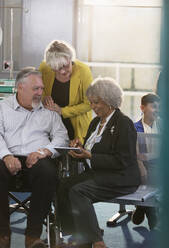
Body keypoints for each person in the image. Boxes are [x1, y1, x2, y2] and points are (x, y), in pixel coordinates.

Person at [57, 77, 141, 248]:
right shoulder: (96, 122)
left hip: (121, 177)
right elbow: (90, 148)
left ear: (109, 101)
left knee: (78, 191)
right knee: (63, 186)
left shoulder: (124, 123)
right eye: (91, 103)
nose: (93, 107)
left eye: (96, 103)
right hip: (100, 173)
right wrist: (79, 148)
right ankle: (78, 235)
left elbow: (122, 160)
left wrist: (90, 156)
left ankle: (96, 241)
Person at [0, 67, 69, 248]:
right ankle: (2, 235)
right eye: (35, 89)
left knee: (48, 173)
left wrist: (43, 152)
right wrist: (6, 155)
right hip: (7, 156)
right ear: (20, 88)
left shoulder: (49, 111)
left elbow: (62, 137)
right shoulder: (2, 107)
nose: (40, 93)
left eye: (41, 88)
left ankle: (33, 236)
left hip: (37, 159)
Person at [39, 40, 93, 143]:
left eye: (66, 66)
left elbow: (89, 104)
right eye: (57, 68)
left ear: (70, 59)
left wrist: (62, 111)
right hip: (50, 126)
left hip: (76, 127)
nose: (62, 71)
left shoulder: (84, 71)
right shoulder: (44, 68)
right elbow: (38, 89)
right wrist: (44, 97)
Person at [131, 93, 161, 230]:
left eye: (159, 107)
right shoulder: (134, 128)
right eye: (154, 107)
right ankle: (152, 216)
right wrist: (141, 164)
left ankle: (141, 207)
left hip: (158, 165)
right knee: (147, 176)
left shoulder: (162, 126)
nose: (157, 110)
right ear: (142, 108)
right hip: (142, 165)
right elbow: (135, 154)